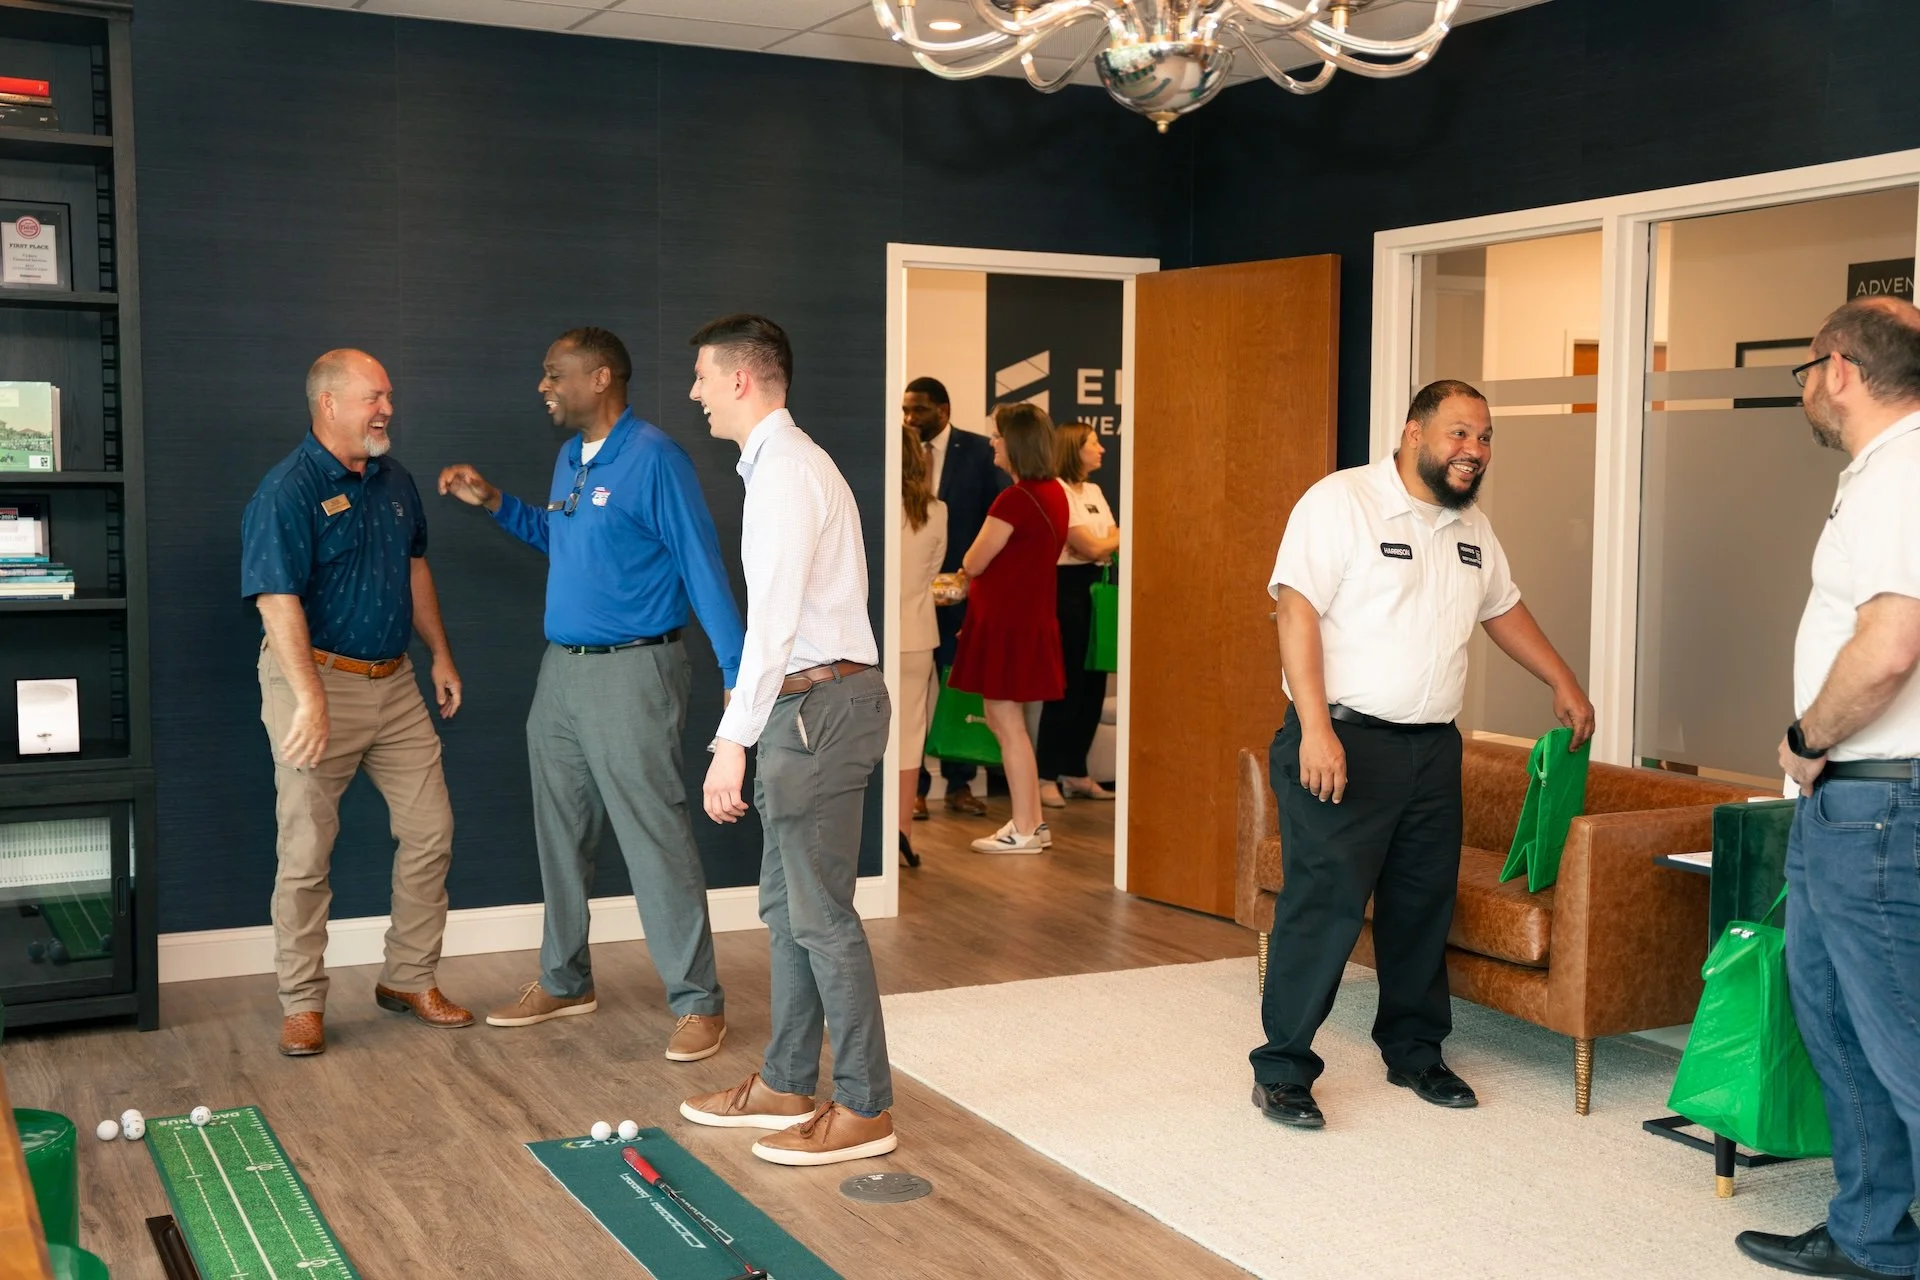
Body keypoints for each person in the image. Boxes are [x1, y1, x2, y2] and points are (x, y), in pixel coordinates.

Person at [1248, 379, 1594, 1129]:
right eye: (1459, 433)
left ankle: (1414, 1051)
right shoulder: (1342, 502)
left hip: (1432, 750)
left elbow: (1503, 607)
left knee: (1420, 905)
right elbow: (1295, 612)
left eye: (1485, 437)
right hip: (1343, 739)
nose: (1475, 450)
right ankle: (1283, 1068)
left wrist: (1562, 680)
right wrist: (1316, 728)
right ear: (1413, 433)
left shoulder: (1471, 528)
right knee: (1325, 907)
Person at [436, 327, 744, 1064]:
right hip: (562, 674)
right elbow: (564, 538)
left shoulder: (656, 458)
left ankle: (698, 1002)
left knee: (653, 834)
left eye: (554, 374)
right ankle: (565, 979)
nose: (543, 386)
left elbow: (701, 565)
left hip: (633, 672)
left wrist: (740, 680)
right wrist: (495, 502)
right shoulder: (572, 456)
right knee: (561, 831)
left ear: (600, 377)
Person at [679, 313, 898, 1167]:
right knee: (787, 909)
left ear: (741, 379)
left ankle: (866, 1108)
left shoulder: (785, 473)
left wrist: (730, 742)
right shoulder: (778, 467)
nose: (695, 392)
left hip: (820, 709)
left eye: (703, 376)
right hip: (804, 705)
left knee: (822, 917)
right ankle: (786, 1081)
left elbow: (771, 626)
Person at [1735, 297, 1920, 1280]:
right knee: (1836, 1017)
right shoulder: (1878, 474)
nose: (1805, 387)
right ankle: (1874, 1235)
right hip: (1846, 803)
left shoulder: (1905, 473)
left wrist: (1807, 738)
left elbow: (1889, 647)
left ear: (1839, 369)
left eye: (1805, 369)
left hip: (1880, 801)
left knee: (1900, 1035)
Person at [240, 349, 474, 1057]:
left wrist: (440, 654)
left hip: (394, 682)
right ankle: (302, 1002)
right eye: (375, 397)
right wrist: (310, 701)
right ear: (329, 404)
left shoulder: (394, 479)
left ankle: (408, 977)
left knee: (431, 831)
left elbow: (414, 566)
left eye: (388, 397)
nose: (387, 410)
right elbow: (275, 600)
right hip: (313, 681)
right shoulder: (287, 490)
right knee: (307, 850)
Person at [947, 402, 1069, 855]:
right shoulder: (1054, 492)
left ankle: (1025, 827)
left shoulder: (1015, 499)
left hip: (1006, 623)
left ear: (1015, 443)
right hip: (1026, 619)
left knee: (1006, 722)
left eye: (998, 435)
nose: (993, 443)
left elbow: (974, 560)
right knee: (1010, 722)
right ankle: (1031, 822)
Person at [904, 376, 1008, 819]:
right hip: (911, 598)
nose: (910, 418)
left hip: (961, 597)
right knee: (911, 698)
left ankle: (960, 782)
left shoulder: (980, 452)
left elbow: (996, 519)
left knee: (958, 688)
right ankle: (914, 787)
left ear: (943, 410)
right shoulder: (899, 448)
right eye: (906, 409)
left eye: (919, 409)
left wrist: (972, 582)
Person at [1037, 422, 1121, 809]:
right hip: (1065, 590)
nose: (1101, 449)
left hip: (1097, 588)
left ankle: (1075, 769)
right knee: (1066, 684)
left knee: (1094, 683)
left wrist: (1104, 544)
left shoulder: (1094, 491)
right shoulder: (1058, 490)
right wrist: (1105, 544)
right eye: (1094, 443)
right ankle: (1046, 774)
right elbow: (1089, 546)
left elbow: (1114, 538)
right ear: (1075, 449)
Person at [897, 424, 947, 869]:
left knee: (865, 737)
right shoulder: (936, 511)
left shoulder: (867, 504)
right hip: (916, 636)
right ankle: (902, 832)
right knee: (911, 736)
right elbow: (932, 573)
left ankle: (870, 838)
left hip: (869, 641)